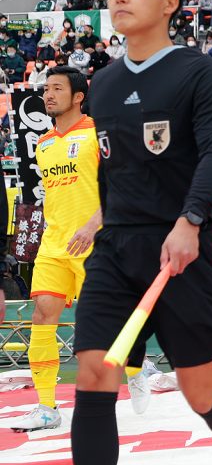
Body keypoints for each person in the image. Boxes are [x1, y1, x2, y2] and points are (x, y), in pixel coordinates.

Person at [69, 0, 212, 465]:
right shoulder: (104, 84)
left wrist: (190, 221)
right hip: (117, 249)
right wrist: (101, 218)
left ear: (169, 3)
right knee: (95, 372)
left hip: (182, 248)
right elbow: (115, 168)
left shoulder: (199, 73)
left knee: (200, 389)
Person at [8, 67, 149, 431]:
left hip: (97, 242)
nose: (48, 94)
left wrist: (92, 225)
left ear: (78, 96)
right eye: (46, 88)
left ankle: (135, 366)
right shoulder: (43, 144)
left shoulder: (99, 134)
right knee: (42, 314)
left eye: (57, 88)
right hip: (54, 244)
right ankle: (46, 407)